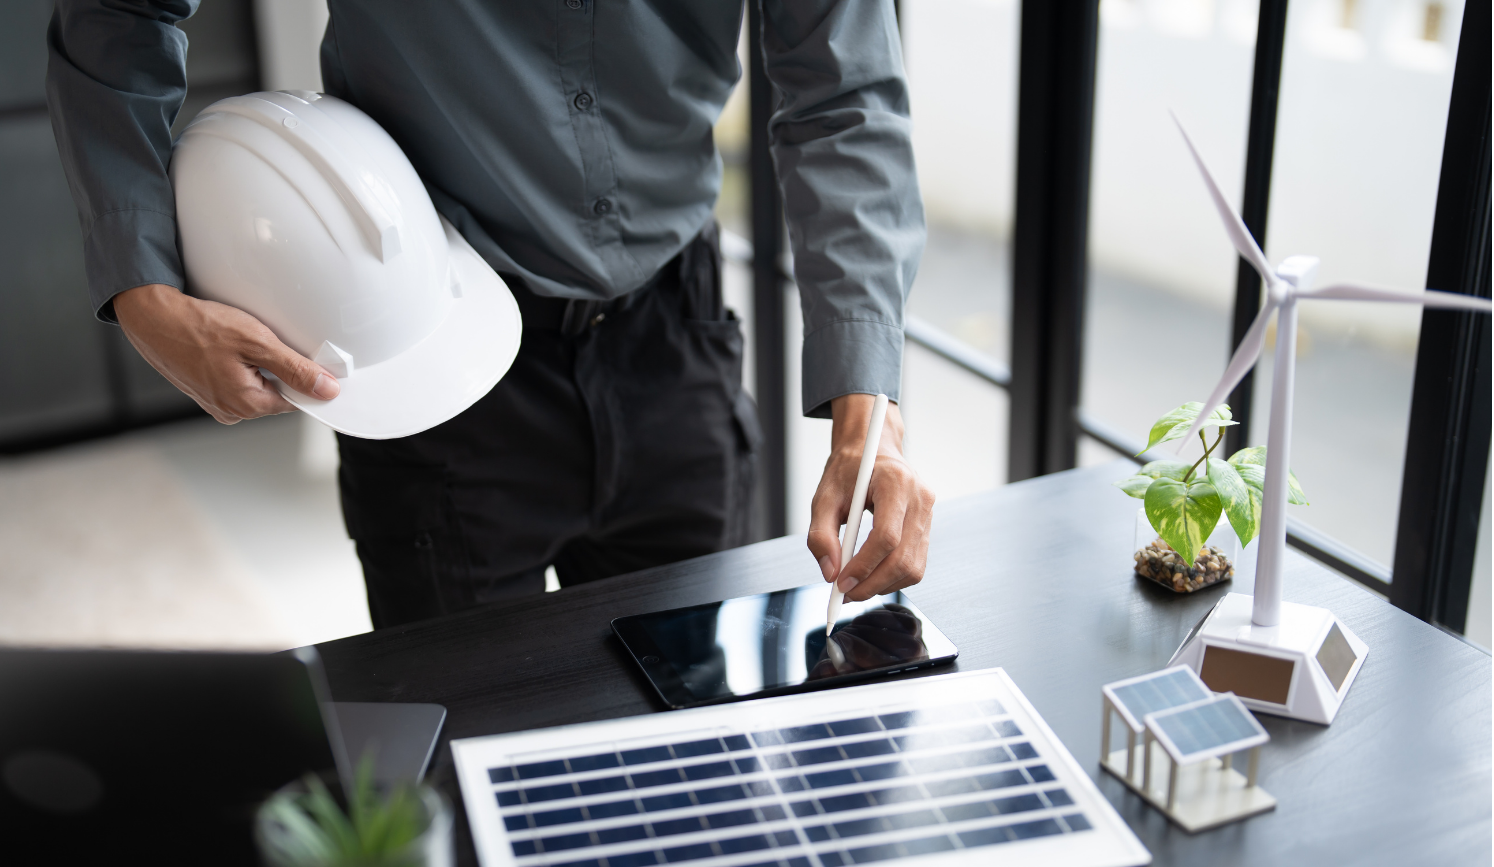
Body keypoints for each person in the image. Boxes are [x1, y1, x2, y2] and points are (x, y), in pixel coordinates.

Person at [47, 0, 935, 629]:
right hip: (431, 351)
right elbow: (122, 13)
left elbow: (840, 98)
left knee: (701, 740)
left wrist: (871, 413)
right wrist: (144, 290)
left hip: (677, 337)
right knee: (468, 772)